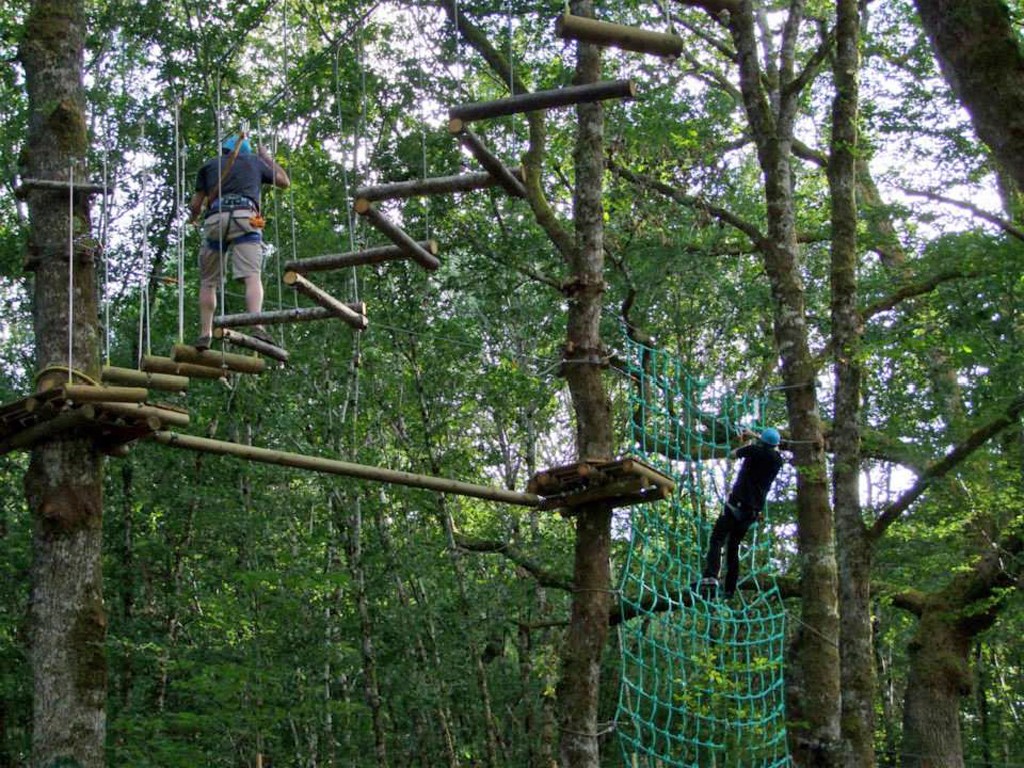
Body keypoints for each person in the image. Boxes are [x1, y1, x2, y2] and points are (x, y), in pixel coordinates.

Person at [188, 134, 290, 351]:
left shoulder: (209, 165)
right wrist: (266, 157)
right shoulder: (255, 162)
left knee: (208, 282)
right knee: (252, 275)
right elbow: (284, 181)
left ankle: (205, 334)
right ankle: (257, 325)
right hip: (246, 217)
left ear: (225, 150)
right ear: (246, 151)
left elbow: (195, 204)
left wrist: (193, 218)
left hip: (216, 218)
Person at [700, 426, 785, 600]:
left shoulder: (754, 451)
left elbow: (733, 454)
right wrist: (756, 437)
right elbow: (770, 448)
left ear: (761, 442)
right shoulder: (777, 460)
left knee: (717, 539)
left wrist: (745, 440)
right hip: (751, 512)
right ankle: (730, 589)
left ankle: (710, 577)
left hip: (736, 505)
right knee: (733, 547)